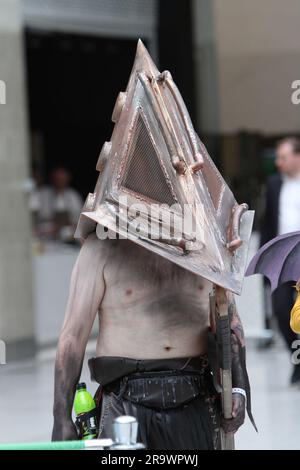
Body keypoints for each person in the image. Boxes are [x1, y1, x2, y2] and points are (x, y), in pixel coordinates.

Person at [52, 234, 250, 449]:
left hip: (195, 396)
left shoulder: (206, 247)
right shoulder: (101, 246)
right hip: (124, 400)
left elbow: (229, 324)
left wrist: (238, 388)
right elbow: (72, 336)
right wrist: (61, 416)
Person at [261, 137, 300, 384]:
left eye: (283, 157)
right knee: (281, 309)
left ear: (298, 156)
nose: (278, 163)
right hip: (283, 256)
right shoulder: (274, 184)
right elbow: (267, 223)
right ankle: (297, 359)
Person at [29, 166, 83, 241]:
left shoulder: (73, 196)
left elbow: (79, 220)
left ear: (68, 178)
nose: (59, 181)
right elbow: (35, 216)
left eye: (61, 179)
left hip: (66, 237)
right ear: (52, 179)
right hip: (44, 234)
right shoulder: (42, 193)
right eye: (57, 179)